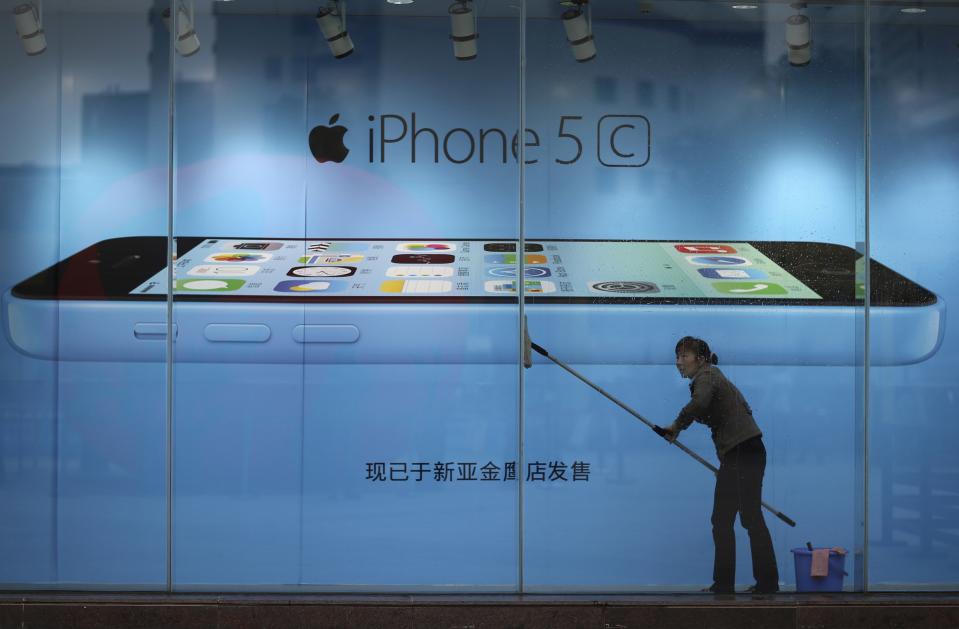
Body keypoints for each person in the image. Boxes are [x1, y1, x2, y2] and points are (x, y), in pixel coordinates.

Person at [661, 336, 779, 595]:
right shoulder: (713, 377)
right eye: (677, 357)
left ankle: (725, 585)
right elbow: (712, 412)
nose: (679, 363)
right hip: (747, 452)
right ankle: (767, 583)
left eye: (684, 356)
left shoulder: (707, 377)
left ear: (700, 359)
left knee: (723, 520)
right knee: (749, 518)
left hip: (741, 453)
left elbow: (700, 404)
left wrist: (676, 426)